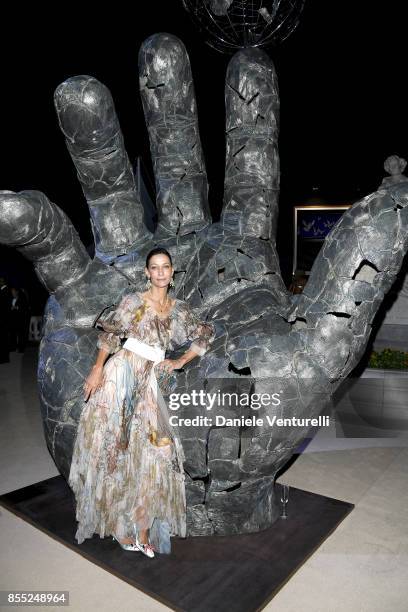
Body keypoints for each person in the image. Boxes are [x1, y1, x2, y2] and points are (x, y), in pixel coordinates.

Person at [68, 247, 215, 558]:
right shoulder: (134, 302)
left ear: (172, 272)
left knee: (159, 451)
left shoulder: (180, 310)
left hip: (149, 382)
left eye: (165, 267)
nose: (160, 272)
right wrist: (96, 371)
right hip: (120, 375)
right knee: (115, 450)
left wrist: (181, 361)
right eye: (154, 267)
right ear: (147, 273)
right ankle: (120, 526)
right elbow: (110, 336)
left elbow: (205, 335)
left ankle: (142, 523)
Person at [10, 287, 31, 352]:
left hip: (20, 320)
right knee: (13, 334)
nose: (12, 293)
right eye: (11, 292)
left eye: (13, 291)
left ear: (16, 292)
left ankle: (21, 348)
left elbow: (24, 308)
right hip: (13, 320)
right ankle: (13, 347)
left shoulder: (21, 299)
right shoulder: (11, 299)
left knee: (21, 335)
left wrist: (16, 307)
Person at [0, 277, 12, 364]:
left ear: (3, 282)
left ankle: (4, 358)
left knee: (3, 339)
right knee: (3, 339)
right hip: (4, 318)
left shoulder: (5, 291)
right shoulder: (4, 291)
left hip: (3, 319)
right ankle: (4, 358)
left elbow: (4, 306)